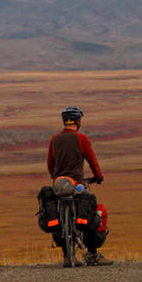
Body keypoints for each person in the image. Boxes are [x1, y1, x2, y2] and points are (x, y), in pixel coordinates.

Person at [47, 106, 112, 267]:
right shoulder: (81, 138)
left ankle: (66, 255)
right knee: (91, 209)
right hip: (76, 184)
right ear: (78, 121)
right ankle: (92, 254)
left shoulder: (54, 139)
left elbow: (50, 164)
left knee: (58, 211)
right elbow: (92, 160)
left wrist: (55, 178)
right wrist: (98, 177)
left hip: (59, 184)